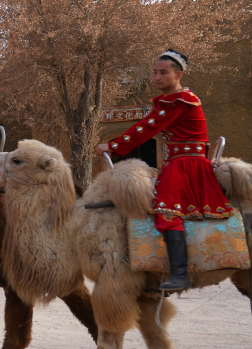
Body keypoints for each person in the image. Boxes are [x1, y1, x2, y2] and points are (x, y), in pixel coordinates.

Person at [98, 50, 234, 291]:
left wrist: (113, 146)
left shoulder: (182, 100)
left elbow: (147, 129)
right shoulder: (168, 102)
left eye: (163, 72)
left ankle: (180, 273)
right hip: (177, 161)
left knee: (167, 210)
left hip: (188, 163)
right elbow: (146, 124)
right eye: (154, 72)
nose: (157, 77)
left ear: (178, 74)